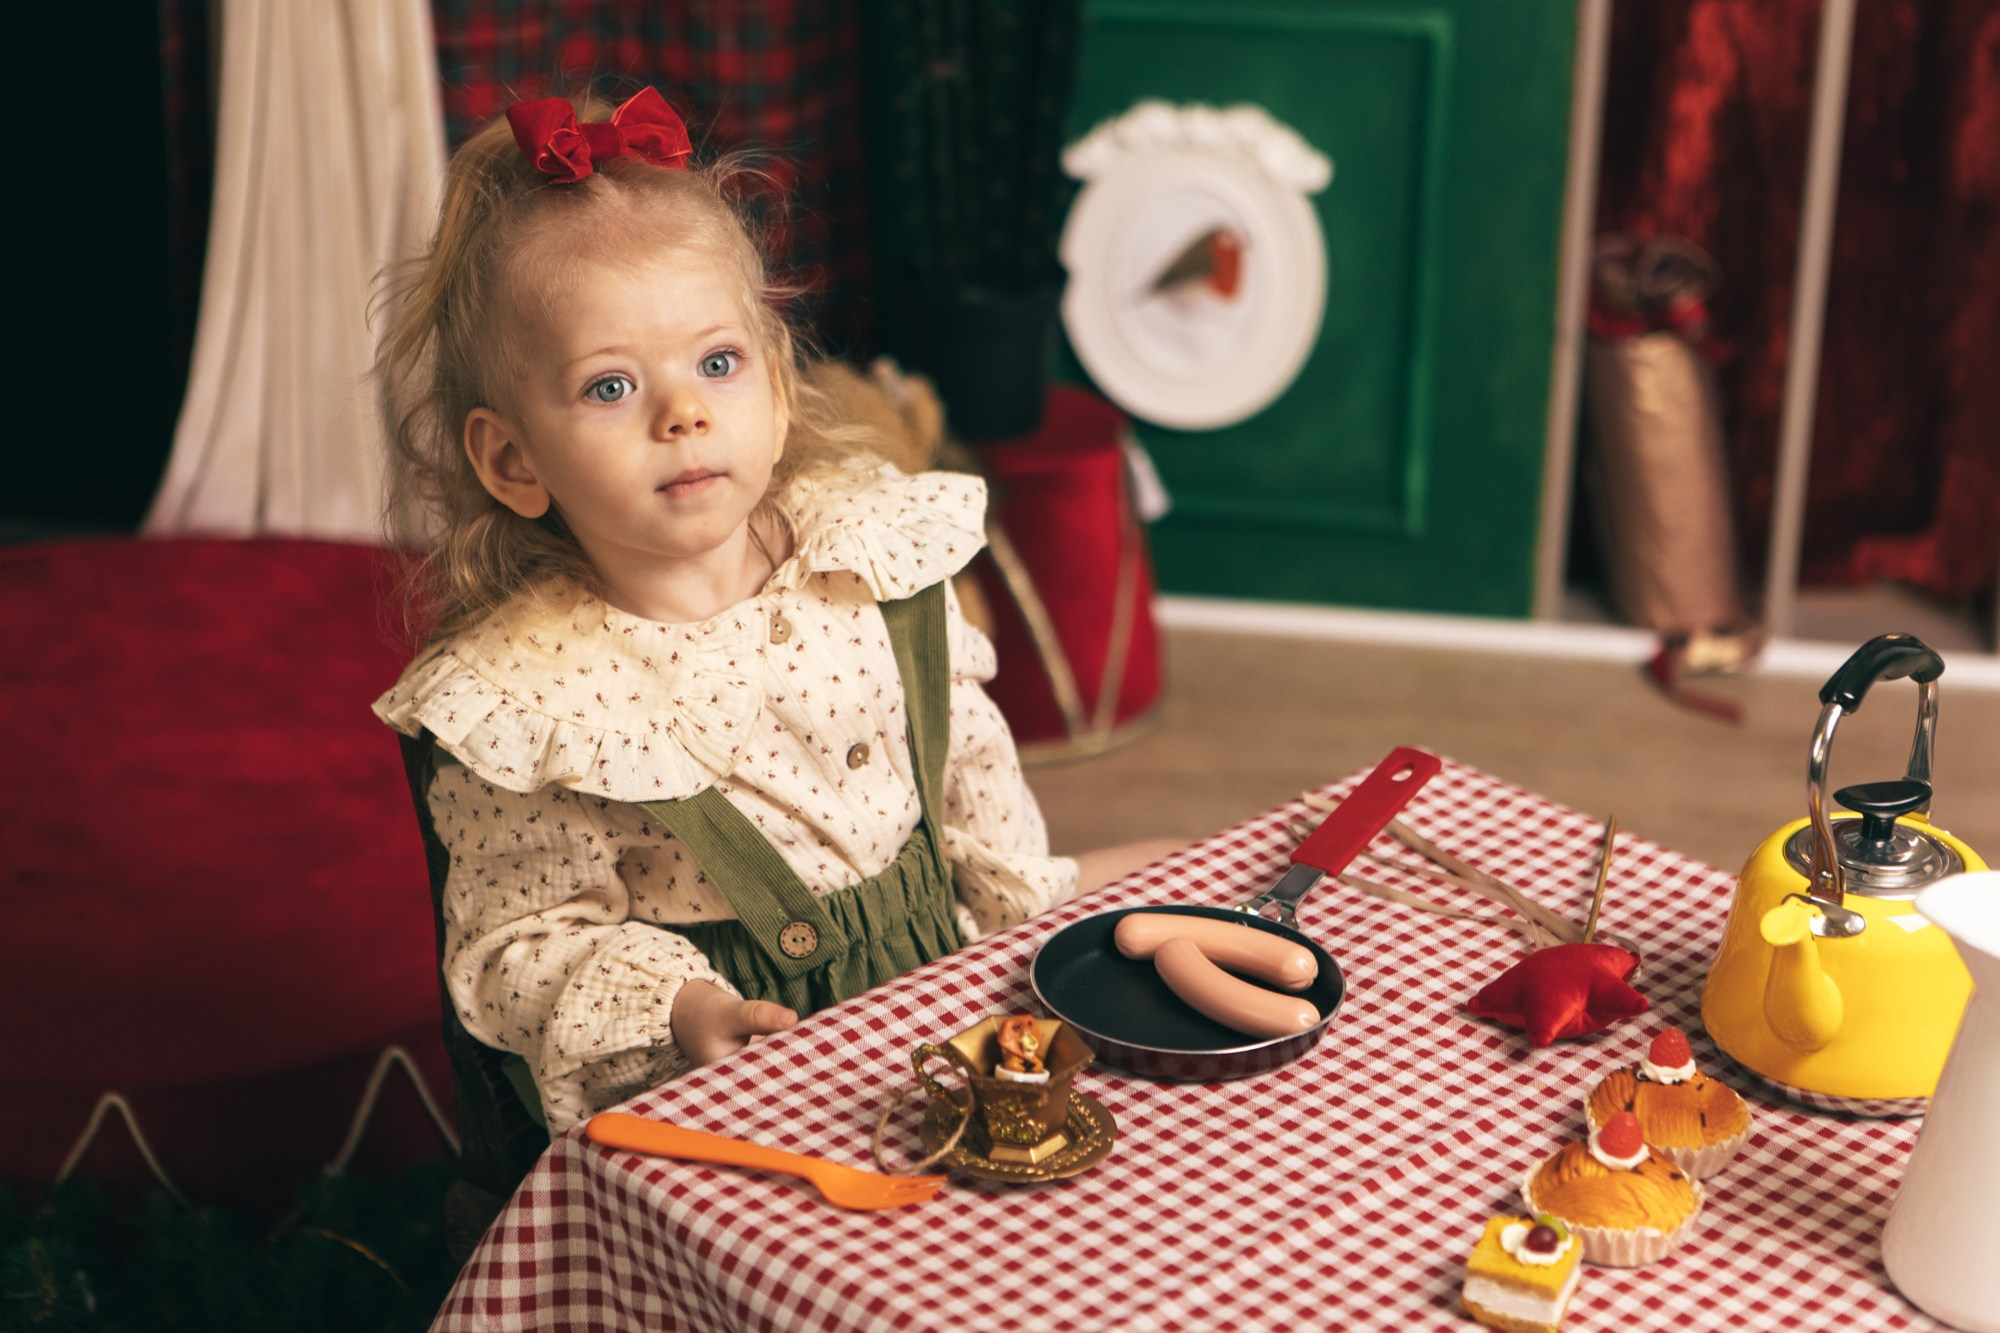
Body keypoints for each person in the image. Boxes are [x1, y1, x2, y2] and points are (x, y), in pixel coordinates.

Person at [372, 88, 1174, 1134]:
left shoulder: (870, 559)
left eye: (718, 363)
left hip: (943, 1012)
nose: (683, 412)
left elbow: (971, 774)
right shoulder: (534, 702)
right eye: (610, 387)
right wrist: (681, 1008)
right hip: (730, 1092)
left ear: (780, 390)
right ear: (513, 459)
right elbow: (520, 947)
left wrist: (1021, 935)